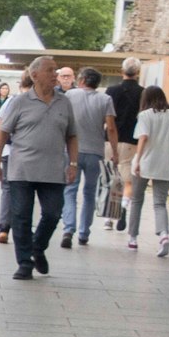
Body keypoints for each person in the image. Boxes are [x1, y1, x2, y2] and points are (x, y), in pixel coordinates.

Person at [0, 56, 78, 279]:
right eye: (50, 71)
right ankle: (24, 263)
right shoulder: (19, 102)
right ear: (35, 75)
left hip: (53, 170)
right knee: (21, 216)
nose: (55, 75)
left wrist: (73, 163)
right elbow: (2, 134)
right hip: (22, 169)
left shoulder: (64, 102)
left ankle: (38, 248)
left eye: (56, 70)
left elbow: (72, 135)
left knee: (53, 213)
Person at [59, 68, 117, 248]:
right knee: (90, 192)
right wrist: (114, 151)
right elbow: (111, 127)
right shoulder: (105, 99)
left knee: (70, 190)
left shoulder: (69, 95)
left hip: (72, 150)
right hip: (95, 151)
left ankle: (68, 228)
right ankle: (84, 232)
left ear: (82, 80)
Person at [129, 86, 169, 256]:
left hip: (145, 162)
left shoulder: (144, 115)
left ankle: (133, 238)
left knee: (136, 199)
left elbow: (143, 138)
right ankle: (164, 234)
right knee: (160, 202)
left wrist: (137, 159)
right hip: (166, 164)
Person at [105, 57, 145, 230]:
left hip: (110, 139)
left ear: (122, 71)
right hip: (132, 140)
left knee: (112, 178)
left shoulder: (111, 91)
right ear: (138, 73)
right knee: (128, 180)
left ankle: (108, 218)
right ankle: (123, 206)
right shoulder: (143, 93)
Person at [0, 73, 35, 242]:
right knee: (27, 190)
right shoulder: (36, 103)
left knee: (8, 189)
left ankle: (4, 228)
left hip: (9, 151)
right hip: (29, 153)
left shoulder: (11, 101)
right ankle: (23, 228)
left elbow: (0, 129)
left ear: (20, 85)